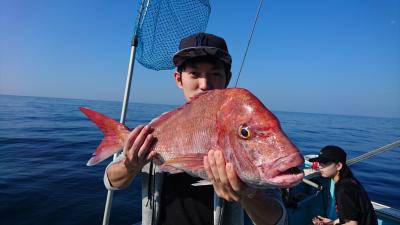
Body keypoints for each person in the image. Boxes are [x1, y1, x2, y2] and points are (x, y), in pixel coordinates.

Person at [104, 32, 287, 225]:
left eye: (215, 73)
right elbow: (111, 181)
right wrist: (130, 166)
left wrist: (247, 194)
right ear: (178, 79)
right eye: (194, 74)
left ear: (227, 78)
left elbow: (276, 220)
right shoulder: (156, 129)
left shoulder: (241, 126)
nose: (204, 84)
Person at [310, 145, 378, 225]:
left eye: (324, 163)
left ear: (338, 166)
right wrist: (331, 223)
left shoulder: (343, 190)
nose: (319, 166)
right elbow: (350, 216)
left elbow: (352, 223)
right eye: (319, 163)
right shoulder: (349, 181)